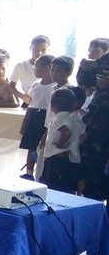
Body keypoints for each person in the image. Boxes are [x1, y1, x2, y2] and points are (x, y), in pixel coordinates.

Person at [38, 87, 82, 194]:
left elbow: (66, 132)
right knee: (64, 186)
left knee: (51, 184)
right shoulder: (73, 119)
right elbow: (83, 134)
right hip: (69, 157)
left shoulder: (58, 119)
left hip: (55, 156)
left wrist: (60, 144)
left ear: (53, 106)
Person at [19, 54, 54, 179]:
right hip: (33, 115)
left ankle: (39, 173)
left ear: (47, 68)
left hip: (45, 118)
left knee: (41, 147)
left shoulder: (54, 86)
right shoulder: (36, 84)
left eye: (37, 66)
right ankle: (28, 173)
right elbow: (31, 103)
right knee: (30, 146)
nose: (34, 69)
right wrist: (25, 121)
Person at [80, 55, 109, 200]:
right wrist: (84, 69)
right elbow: (86, 82)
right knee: (92, 183)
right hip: (95, 138)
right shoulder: (105, 58)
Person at [10, 35, 50, 99]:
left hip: (47, 101)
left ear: (49, 50)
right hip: (29, 102)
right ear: (30, 48)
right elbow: (11, 86)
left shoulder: (52, 67)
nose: (39, 53)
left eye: (43, 50)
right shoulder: (21, 66)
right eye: (36, 49)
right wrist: (22, 96)